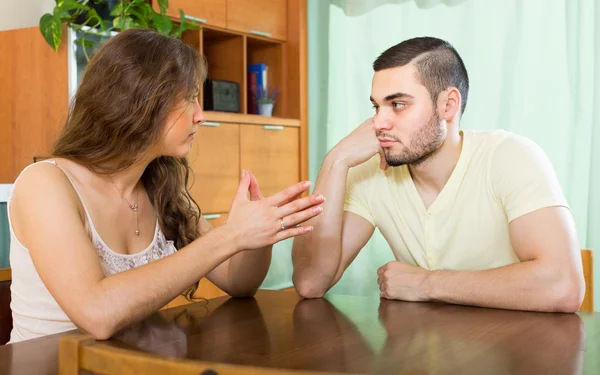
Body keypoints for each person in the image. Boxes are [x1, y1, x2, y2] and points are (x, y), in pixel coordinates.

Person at [7, 29, 324, 343]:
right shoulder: (46, 184)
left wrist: (257, 233)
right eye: (188, 98)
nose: (200, 115)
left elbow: (238, 282)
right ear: (139, 100)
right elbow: (97, 314)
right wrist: (230, 236)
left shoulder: (161, 187)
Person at [291, 36, 584, 312]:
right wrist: (336, 160)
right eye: (376, 106)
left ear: (448, 105)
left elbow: (563, 285)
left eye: (397, 105)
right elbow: (311, 282)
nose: (379, 122)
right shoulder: (371, 174)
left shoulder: (510, 156)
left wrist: (426, 284)